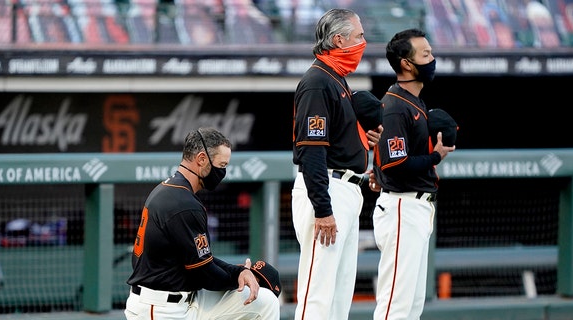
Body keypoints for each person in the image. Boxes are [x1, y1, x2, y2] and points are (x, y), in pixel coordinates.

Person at [124, 127, 280, 320]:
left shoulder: (171, 190)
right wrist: (237, 277)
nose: (223, 172)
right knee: (256, 297)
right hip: (161, 308)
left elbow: (203, 260)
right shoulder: (183, 203)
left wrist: (238, 271)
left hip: (181, 298)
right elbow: (205, 274)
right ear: (201, 159)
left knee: (265, 301)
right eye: (221, 165)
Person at [291, 8, 382, 320]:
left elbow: (334, 141)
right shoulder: (318, 81)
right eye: (358, 36)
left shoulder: (337, 79)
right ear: (339, 39)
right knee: (318, 294)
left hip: (346, 190)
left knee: (340, 295)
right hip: (327, 190)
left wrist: (360, 145)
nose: (363, 42)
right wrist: (323, 209)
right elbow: (312, 151)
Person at [369, 28, 455, 320]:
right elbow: (397, 163)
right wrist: (436, 156)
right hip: (402, 206)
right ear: (406, 63)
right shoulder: (394, 105)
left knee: (413, 303)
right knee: (396, 304)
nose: (432, 59)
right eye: (426, 54)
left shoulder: (415, 101)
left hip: (415, 207)